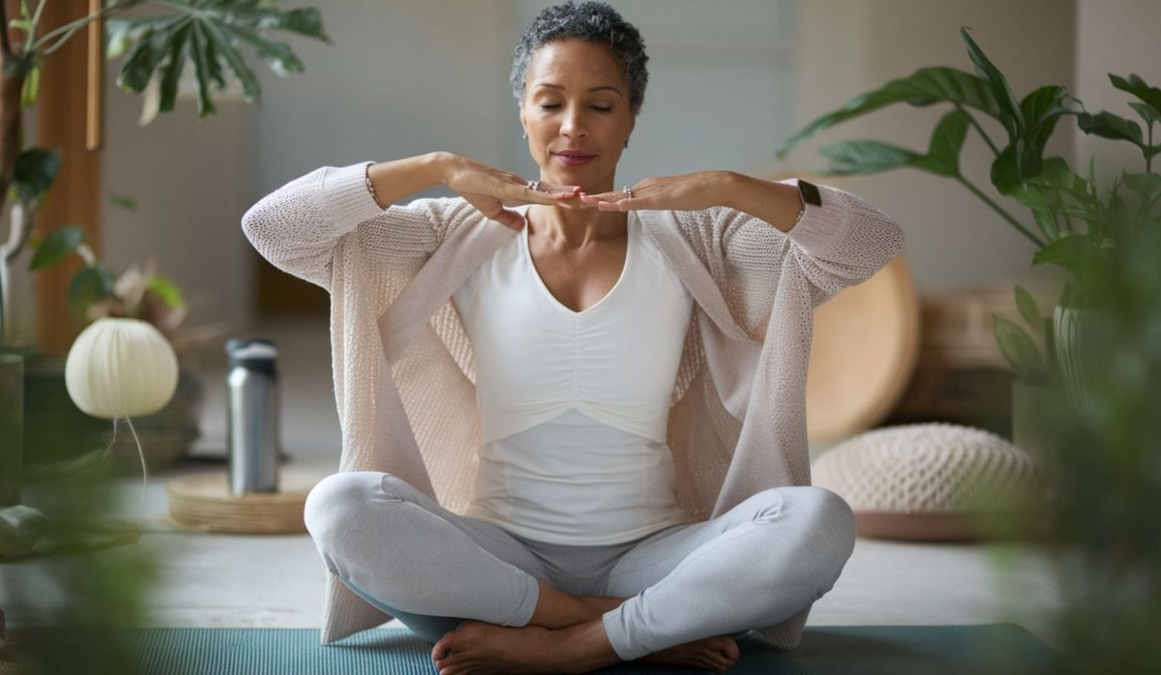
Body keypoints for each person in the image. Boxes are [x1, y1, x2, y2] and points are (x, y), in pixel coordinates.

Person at [243, 2, 902, 673]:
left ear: (632, 119)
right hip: (499, 558)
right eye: (550, 102)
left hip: (654, 553)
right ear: (523, 113)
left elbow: (871, 243)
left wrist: (727, 187)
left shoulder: (699, 238)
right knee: (340, 505)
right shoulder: (454, 232)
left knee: (819, 519)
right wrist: (436, 165)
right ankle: (627, 627)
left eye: (601, 105)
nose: (573, 127)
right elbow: (275, 227)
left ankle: (570, 645)